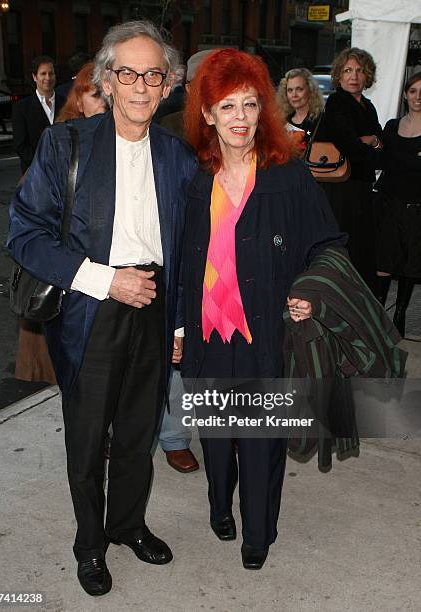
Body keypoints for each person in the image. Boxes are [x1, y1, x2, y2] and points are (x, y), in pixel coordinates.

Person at [8, 20, 198, 596]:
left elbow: (190, 246)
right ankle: (89, 545)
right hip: (92, 306)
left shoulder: (179, 157)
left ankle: (128, 525)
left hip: (158, 306)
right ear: (107, 80)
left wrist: (182, 321)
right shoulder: (65, 144)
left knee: (140, 433)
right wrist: (101, 280)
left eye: (153, 74)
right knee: (89, 439)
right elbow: (24, 233)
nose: (141, 85)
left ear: (168, 86)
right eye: (128, 73)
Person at [181, 48, 346, 570]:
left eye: (250, 105)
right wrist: (178, 327)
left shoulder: (288, 178)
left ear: (263, 111)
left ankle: (258, 532)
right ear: (207, 114)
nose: (240, 119)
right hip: (207, 337)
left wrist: (309, 290)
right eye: (227, 107)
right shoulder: (191, 182)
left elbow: (328, 244)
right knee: (216, 435)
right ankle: (218, 506)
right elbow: (179, 262)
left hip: (265, 336)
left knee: (260, 440)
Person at [14, 63, 108, 387]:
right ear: (79, 101)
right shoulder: (60, 144)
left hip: (110, 292)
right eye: (96, 94)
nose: (106, 102)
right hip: (69, 286)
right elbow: (29, 228)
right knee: (80, 387)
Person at [155, 50, 217, 474]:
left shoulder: (240, 124)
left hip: (227, 255)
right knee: (175, 349)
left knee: (220, 347)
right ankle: (173, 435)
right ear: (191, 86)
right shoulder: (167, 128)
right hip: (179, 253)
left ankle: (222, 428)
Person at [318, 47, 383, 293]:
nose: (353, 76)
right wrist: (370, 144)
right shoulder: (336, 101)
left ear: (367, 75)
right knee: (345, 246)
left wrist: (370, 143)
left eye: (359, 70)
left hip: (363, 186)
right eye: (347, 70)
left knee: (362, 247)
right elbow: (348, 144)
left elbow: (378, 142)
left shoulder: (368, 105)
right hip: (341, 187)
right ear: (339, 75)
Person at [374, 71, 421, 336]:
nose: (418, 97)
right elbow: (379, 161)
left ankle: (400, 314)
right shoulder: (392, 126)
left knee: (409, 264)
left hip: (417, 207)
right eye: (413, 91)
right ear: (405, 95)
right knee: (384, 261)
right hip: (388, 203)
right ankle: (380, 313)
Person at [12, 55, 64, 174]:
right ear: (34, 77)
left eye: (51, 73)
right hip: (35, 174)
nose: (48, 78)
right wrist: (43, 165)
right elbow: (20, 146)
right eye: (43, 74)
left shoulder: (65, 103)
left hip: (63, 172)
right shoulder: (22, 108)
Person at [277, 67, 324, 150]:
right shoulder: (282, 122)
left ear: (310, 90)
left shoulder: (321, 120)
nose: (294, 95)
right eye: (290, 90)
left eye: (299, 89)